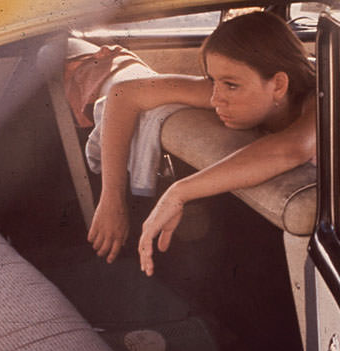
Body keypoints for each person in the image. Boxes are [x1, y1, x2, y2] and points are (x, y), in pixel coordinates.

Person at [85, 10, 317, 275]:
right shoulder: (229, 90)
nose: (216, 98)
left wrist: (178, 192)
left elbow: (292, 148)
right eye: (211, 80)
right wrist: (112, 198)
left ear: (278, 85)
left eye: (230, 85)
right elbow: (123, 93)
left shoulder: (323, 100)